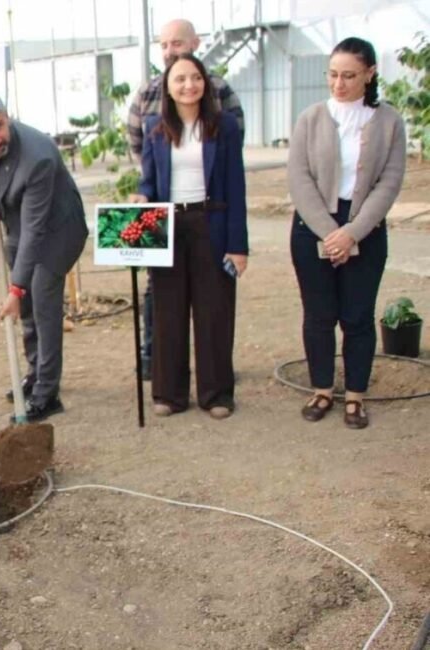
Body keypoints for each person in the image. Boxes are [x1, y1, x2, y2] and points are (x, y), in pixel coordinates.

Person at [287, 37, 405, 429]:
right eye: (333, 75)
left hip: (364, 227)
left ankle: (355, 396)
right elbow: (299, 178)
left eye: (349, 75)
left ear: (370, 74)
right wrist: (328, 232)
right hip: (312, 227)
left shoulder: (389, 121)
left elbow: (388, 183)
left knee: (357, 316)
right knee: (319, 314)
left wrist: (351, 232)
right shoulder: (310, 119)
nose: (339, 83)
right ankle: (322, 389)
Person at [129, 53, 248, 419]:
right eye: (180, 79)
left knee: (214, 311)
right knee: (167, 310)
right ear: (167, 86)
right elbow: (149, 179)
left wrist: (238, 246)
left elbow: (235, 186)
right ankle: (169, 394)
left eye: (195, 78)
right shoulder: (155, 127)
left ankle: (216, 395)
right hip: (167, 225)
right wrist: (142, 196)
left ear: (205, 83)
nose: (188, 85)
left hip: (210, 222)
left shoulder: (224, 126)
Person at [0, 90, 88, 422]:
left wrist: (16, 290)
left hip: (58, 230)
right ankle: (35, 374)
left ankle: (47, 395)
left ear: (9, 117)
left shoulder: (38, 156)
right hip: (20, 225)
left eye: (0, 126)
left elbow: (36, 230)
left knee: (43, 305)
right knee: (29, 310)